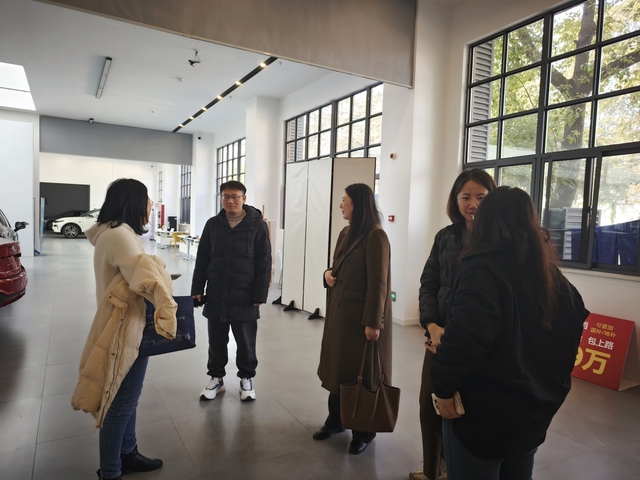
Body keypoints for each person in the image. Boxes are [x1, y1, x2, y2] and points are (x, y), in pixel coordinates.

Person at [431, 186, 589, 480]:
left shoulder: (481, 269)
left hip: (484, 415)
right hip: (531, 412)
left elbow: (465, 341)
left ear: (486, 220)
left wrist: (442, 388)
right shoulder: (547, 271)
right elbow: (573, 326)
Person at [72, 178, 177, 480]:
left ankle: (128, 454)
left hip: (125, 321)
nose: (151, 205)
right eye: (148, 200)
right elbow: (145, 280)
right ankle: (111, 471)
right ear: (134, 202)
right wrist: (161, 277)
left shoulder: (115, 231)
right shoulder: (119, 235)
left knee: (127, 397)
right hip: (125, 327)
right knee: (120, 404)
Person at [411, 169, 496, 480]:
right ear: (455, 200)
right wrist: (432, 325)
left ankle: (456, 470)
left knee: (465, 410)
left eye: (481, 197)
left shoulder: (498, 240)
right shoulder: (445, 236)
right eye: (466, 197)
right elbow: (429, 283)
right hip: (437, 338)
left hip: (474, 341)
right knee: (430, 405)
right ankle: (433, 470)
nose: (473, 204)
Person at [314, 183, 392, 455]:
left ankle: (363, 432)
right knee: (339, 370)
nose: (341, 205)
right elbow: (337, 266)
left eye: (344, 200)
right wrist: (327, 274)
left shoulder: (376, 236)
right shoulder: (346, 232)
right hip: (340, 317)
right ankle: (335, 421)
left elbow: (379, 284)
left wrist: (373, 322)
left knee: (362, 375)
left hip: (360, 321)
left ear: (358, 204)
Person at [192, 180, 271, 402]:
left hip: (245, 295)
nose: (230, 201)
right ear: (221, 198)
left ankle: (246, 378)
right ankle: (216, 379)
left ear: (244, 198)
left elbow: (264, 262)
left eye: (235, 196)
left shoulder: (257, 225)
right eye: (226, 196)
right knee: (216, 342)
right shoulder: (212, 224)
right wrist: (197, 288)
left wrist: (260, 294)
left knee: (245, 342)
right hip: (217, 293)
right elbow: (202, 259)